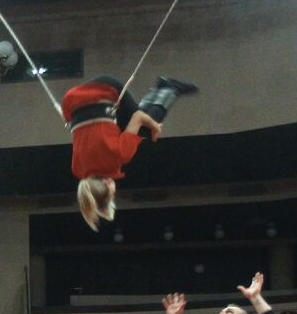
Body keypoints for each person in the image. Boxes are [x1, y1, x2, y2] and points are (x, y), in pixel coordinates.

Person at [63, 74, 198, 231]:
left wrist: (155, 126)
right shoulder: (78, 169)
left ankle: (169, 89)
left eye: (112, 195)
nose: (115, 192)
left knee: (145, 130)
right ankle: (161, 87)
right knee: (127, 128)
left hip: (107, 88)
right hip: (71, 101)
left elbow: (138, 117)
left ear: (107, 184)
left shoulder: (120, 156)